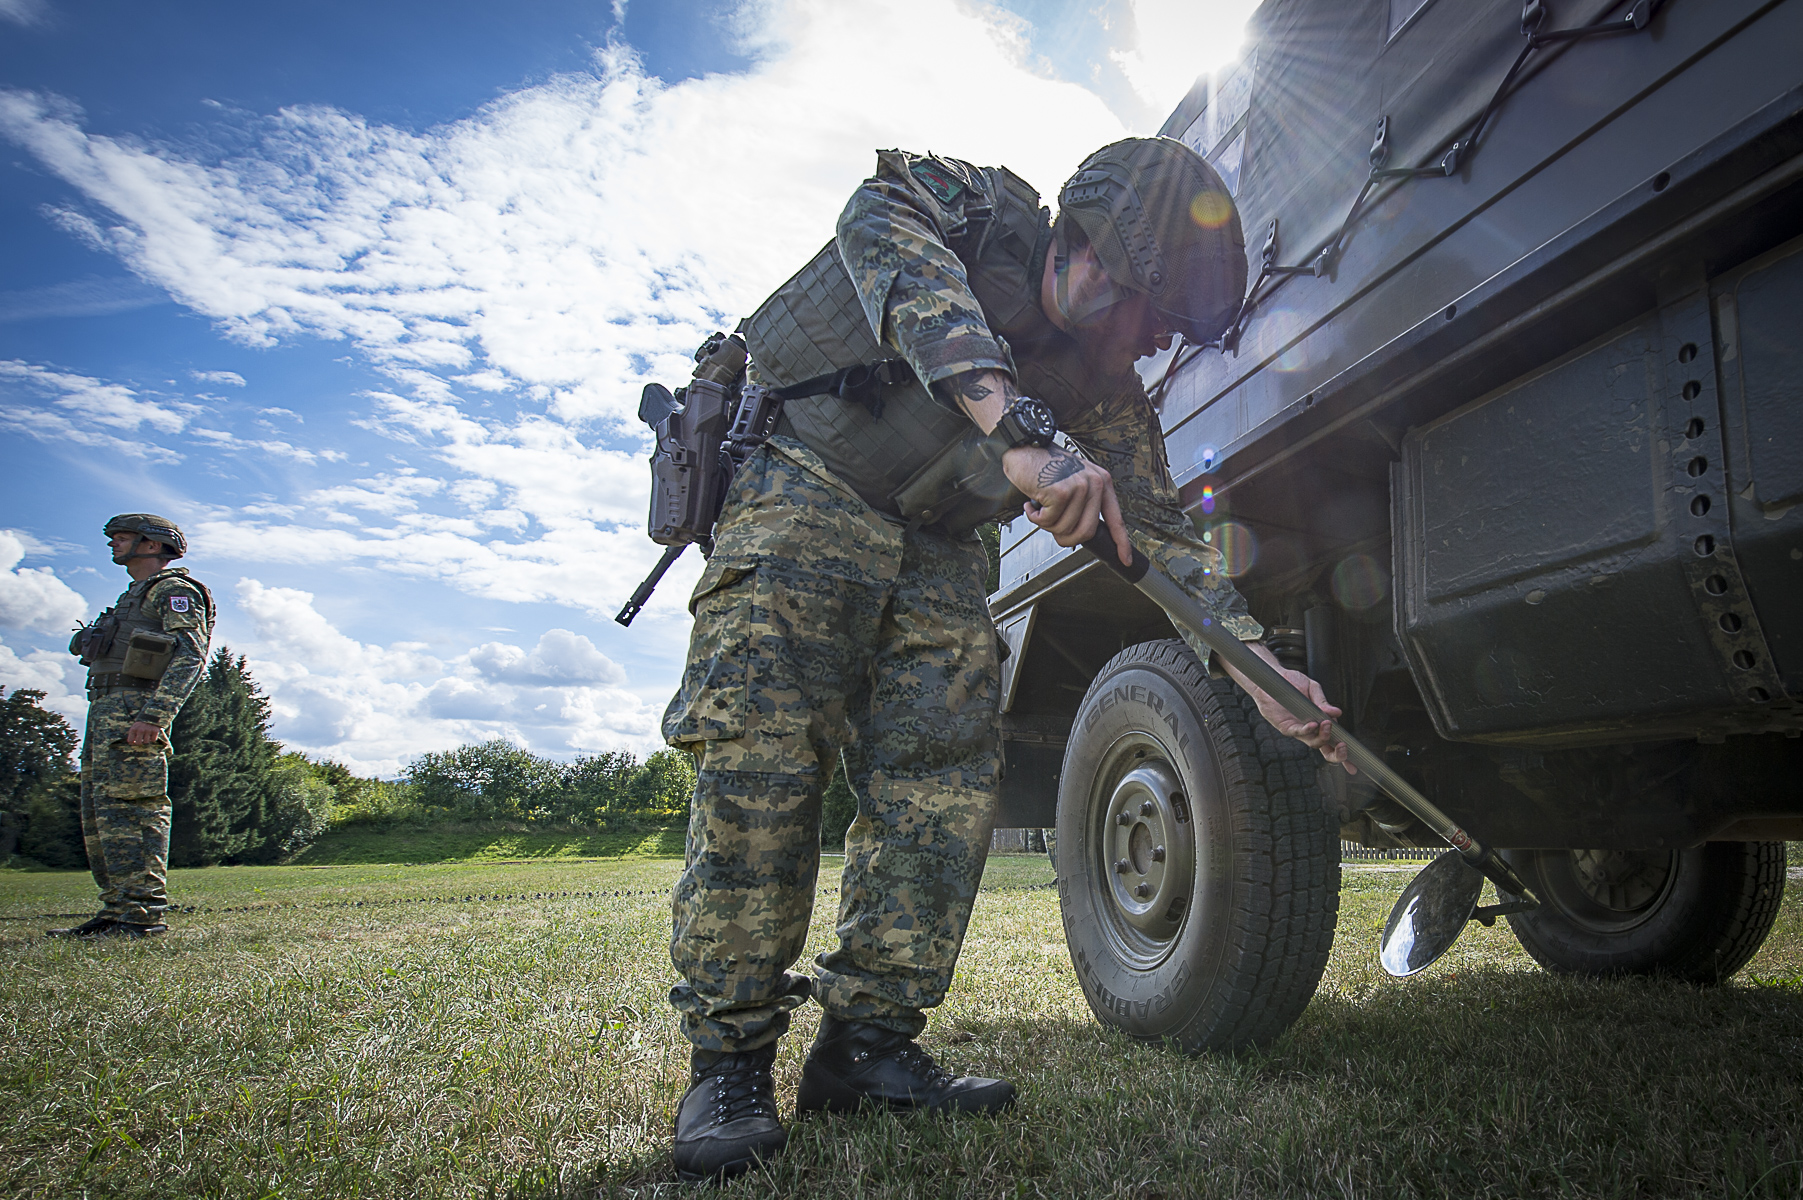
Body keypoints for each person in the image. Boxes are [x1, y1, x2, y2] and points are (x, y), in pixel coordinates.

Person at [661, 137, 1349, 1180]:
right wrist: (1016, 425)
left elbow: (1161, 535)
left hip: (939, 545)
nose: (1153, 344)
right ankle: (728, 1061)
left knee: (940, 790)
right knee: (761, 766)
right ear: (1088, 252)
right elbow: (873, 225)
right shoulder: (968, 210)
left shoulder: (1107, 390)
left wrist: (1260, 669)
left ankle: (869, 1049)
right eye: (1150, 316)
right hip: (805, 487)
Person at [48, 514, 212, 939]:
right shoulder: (132, 597)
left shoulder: (173, 591)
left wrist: (155, 716)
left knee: (135, 812)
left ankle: (141, 917)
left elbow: (191, 655)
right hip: (106, 712)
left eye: (122, 538)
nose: (113, 544)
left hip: (135, 716)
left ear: (152, 544)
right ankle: (118, 910)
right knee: (102, 818)